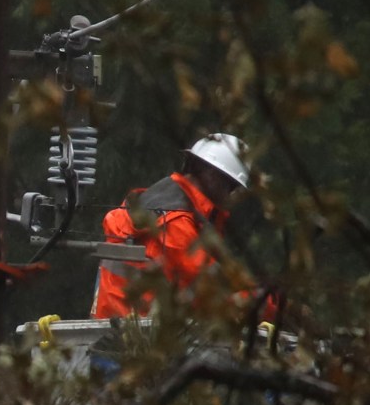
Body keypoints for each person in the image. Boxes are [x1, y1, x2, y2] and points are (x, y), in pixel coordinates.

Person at [92, 133, 251, 318]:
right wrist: (269, 303)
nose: (230, 196)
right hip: (143, 337)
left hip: (110, 327)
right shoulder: (176, 223)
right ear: (213, 176)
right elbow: (215, 290)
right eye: (231, 187)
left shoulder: (151, 202)